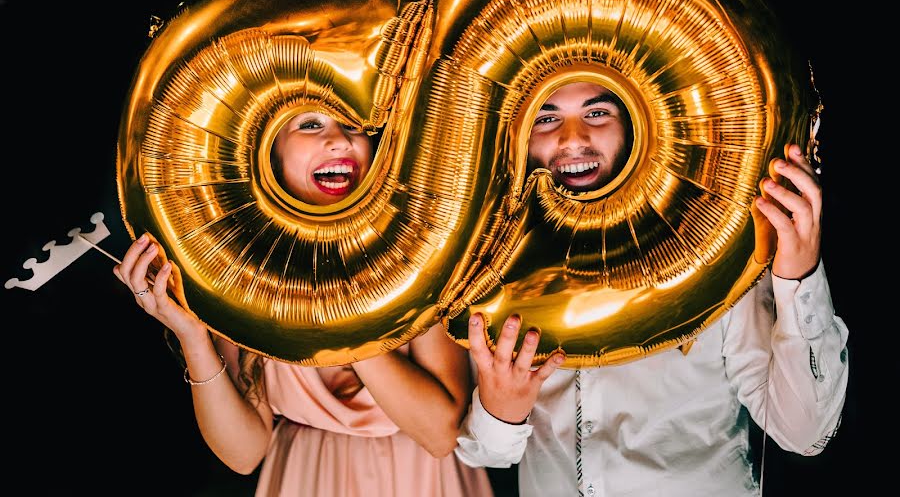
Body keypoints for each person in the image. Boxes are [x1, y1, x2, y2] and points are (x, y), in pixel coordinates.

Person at [454, 80, 849, 496]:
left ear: (633, 124)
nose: (573, 138)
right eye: (546, 118)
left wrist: (798, 277)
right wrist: (501, 414)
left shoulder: (714, 254)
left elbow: (806, 434)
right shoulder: (490, 264)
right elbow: (485, 455)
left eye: (597, 113)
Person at [115, 111, 495, 497]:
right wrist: (193, 337)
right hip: (302, 478)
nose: (342, 141)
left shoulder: (417, 256)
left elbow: (439, 435)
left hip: (425, 481)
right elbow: (244, 454)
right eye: (310, 125)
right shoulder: (243, 271)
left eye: (354, 126)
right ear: (269, 150)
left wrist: (322, 308)